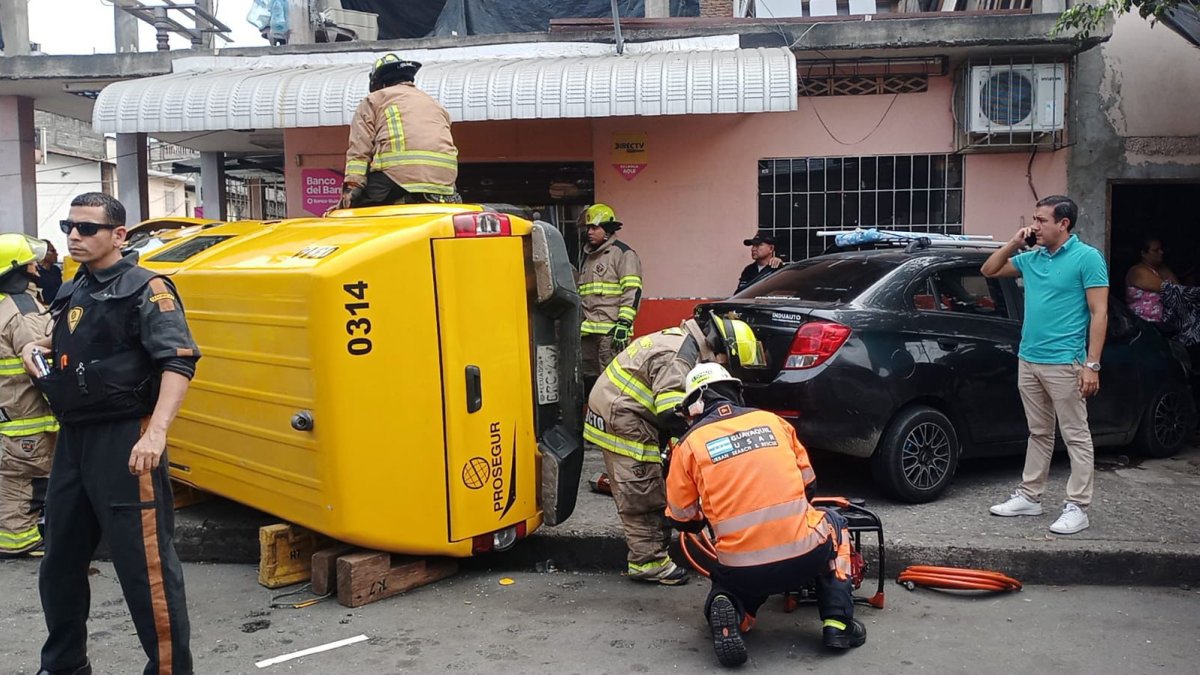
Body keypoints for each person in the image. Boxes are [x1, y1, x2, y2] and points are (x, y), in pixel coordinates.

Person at [21, 192, 200, 675]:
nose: (74, 236)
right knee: (59, 563)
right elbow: (72, 340)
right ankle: (63, 665)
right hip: (75, 440)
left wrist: (155, 434)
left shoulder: (148, 288)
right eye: (68, 227)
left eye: (87, 228)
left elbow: (177, 364)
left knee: (146, 571)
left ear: (119, 235)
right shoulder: (76, 287)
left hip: (126, 440)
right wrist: (39, 347)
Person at [665, 363, 864, 667]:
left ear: (696, 403)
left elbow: (683, 519)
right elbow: (809, 484)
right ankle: (838, 624)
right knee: (835, 523)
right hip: (805, 557)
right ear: (735, 392)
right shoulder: (773, 422)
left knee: (729, 578)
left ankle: (733, 609)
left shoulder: (688, 445)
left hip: (743, 570)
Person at [584, 312, 762, 586]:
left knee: (657, 483)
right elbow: (672, 413)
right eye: (729, 362)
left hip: (632, 413)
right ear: (720, 348)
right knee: (641, 491)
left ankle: (652, 552)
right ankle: (648, 563)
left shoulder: (686, 346)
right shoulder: (679, 358)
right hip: (624, 418)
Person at [981, 195, 1108, 535]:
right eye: (1034, 219)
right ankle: (1030, 496)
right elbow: (989, 270)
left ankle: (1078, 506)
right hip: (1029, 358)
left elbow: (1099, 313)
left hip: (1066, 361)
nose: (1035, 226)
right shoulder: (1032, 258)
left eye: (1041, 220)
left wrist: (1091, 365)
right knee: (1038, 432)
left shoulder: (1087, 258)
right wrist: (1013, 242)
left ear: (1063, 223)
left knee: (1076, 436)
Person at [0, 234, 59, 558]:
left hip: (8, 409)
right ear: (18, 270)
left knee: (11, 473)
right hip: (26, 415)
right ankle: (18, 541)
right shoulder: (22, 309)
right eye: (30, 262)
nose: (37, 266)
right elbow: (41, 361)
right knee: (29, 478)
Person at [338, 54, 460, 209]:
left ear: (379, 83)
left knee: (356, 213)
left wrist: (352, 186)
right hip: (444, 181)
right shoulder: (434, 104)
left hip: (397, 176)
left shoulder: (374, 100)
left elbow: (360, 150)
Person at [578, 203, 642, 392]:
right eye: (588, 227)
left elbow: (633, 290)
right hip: (587, 332)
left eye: (594, 227)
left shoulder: (623, 254)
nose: (589, 232)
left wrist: (624, 323)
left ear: (607, 229)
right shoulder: (588, 257)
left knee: (611, 382)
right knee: (589, 381)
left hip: (612, 332)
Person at [1125, 236, 1178, 323]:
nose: (1161, 252)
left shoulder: (1162, 270)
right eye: (1156, 250)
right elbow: (1170, 290)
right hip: (1143, 325)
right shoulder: (1138, 271)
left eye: (1161, 249)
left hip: (1161, 325)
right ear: (1143, 253)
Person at [35, 240, 63, 306]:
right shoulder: (35, 272)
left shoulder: (56, 270)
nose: (56, 254)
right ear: (43, 253)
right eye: (53, 251)